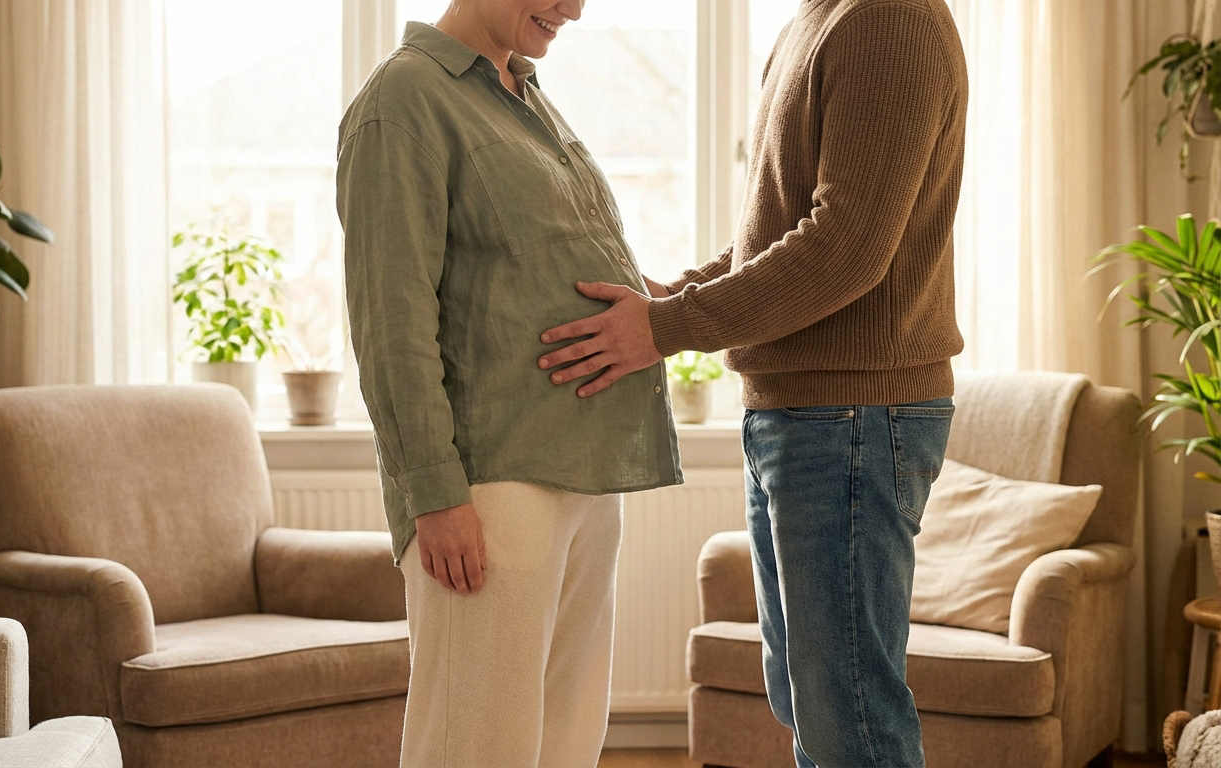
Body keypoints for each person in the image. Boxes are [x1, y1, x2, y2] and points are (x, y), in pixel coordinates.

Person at [536, 0, 968, 765]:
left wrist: (667, 327)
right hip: (807, 413)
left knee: (849, 719)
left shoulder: (887, 20)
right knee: (808, 702)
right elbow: (775, 237)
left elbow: (846, 247)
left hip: (852, 415)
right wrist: (670, 298)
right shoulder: (819, 21)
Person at [335, 2, 681, 766]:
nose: (575, 8)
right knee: (475, 748)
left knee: (566, 744)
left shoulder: (524, 91)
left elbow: (541, 272)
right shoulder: (405, 100)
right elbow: (390, 322)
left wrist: (680, 311)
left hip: (586, 476)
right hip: (493, 487)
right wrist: (436, 494)